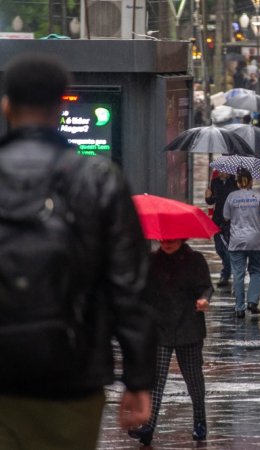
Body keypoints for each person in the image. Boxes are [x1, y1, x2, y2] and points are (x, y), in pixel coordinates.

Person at [0, 55, 156, 449]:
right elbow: (129, 284)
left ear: (6, 105)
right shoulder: (96, 179)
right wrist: (138, 379)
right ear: (61, 105)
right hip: (71, 373)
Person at [128, 239, 213, 445]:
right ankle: (148, 426)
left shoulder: (195, 260)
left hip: (188, 328)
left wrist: (204, 300)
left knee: (193, 380)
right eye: (164, 240)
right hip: (160, 329)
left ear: (182, 239)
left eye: (172, 241)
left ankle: (200, 422)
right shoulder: (152, 261)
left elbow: (206, 288)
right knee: (156, 381)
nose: (166, 244)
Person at [223, 167, 260, 318]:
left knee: (238, 274)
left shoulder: (231, 197)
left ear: (237, 182)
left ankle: (239, 307)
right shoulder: (259, 197)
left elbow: (226, 218)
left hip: (236, 241)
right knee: (256, 271)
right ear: (251, 181)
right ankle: (252, 301)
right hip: (256, 241)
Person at [205, 171, 239, 287]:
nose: (219, 173)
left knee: (228, 249)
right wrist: (208, 197)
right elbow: (211, 201)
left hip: (231, 221)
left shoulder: (235, 183)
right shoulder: (215, 182)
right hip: (217, 220)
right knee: (219, 248)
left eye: (221, 171)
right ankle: (230, 268)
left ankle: (225, 274)